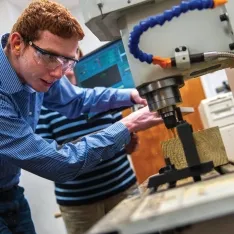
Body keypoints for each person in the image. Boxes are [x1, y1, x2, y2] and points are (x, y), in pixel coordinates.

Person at [0, 0, 162, 233]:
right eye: (50, 57)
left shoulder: (40, 72)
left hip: (12, 192)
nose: (59, 72)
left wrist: (130, 95)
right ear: (17, 44)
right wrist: (128, 125)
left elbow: (77, 101)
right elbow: (59, 163)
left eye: (67, 61)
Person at [36, 46, 139, 234]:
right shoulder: (43, 106)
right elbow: (52, 161)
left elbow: (127, 147)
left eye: (71, 58)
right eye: (60, 59)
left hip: (123, 189)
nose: (66, 65)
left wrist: (129, 139)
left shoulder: (101, 96)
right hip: (79, 205)